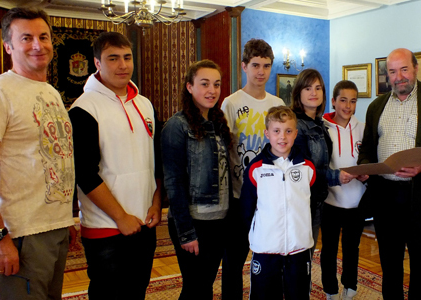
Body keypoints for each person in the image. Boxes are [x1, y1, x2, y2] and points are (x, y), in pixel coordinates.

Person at [0, 7, 76, 299]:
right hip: (22, 233)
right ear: (8, 46)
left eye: (44, 37)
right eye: (26, 38)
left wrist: (64, 221)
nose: (38, 45)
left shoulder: (50, 92)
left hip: (54, 227)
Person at [357, 48, 421, 299]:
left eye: (404, 69)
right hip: (385, 195)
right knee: (389, 260)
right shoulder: (376, 105)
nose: (398, 76)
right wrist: (365, 168)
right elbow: (368, 147)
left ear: (415, 69)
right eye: (392, 71)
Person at [69, 31, 162, 299]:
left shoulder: (144, 104)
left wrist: (156, 204)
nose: (123, 65)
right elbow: (84, 174)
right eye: (113, 58)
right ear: (97, 63)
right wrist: (120, 217)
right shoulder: (84, 108)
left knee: (136, 293)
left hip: (144, 222)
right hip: (105, 227)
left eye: (127, 57)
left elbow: (154, 162)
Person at [161, 60, 232, 299]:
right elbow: (173, 182)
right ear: (190, 87)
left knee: (204, 285)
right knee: (197, 287)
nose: (212, 90)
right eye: (204, 84)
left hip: (219, 220)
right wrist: (186, 232)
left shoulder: (218, 124)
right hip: (194, 222)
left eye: (216, 84)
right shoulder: (177, 126)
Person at [220, 38, 285, 299]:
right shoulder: (231, 103)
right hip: (239, 194)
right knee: (234, 259)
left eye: (266, 66)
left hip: (269, 196)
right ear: (244, 66)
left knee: (269, 256)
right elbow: (223, 150)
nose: (261, 71)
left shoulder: (277, 102)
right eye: (255, 65)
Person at [241, 106, 316, 300]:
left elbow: (312, 202)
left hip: (298, 248)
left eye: (288, 131)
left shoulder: (307, 167)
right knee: (264, 296)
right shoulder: (256, 169)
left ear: (295, 133)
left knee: (298, 295)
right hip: (266, 248)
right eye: (276, 131)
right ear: (267, 134)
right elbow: (247, 208)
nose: (282, 137)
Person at [291, 68, 356, 255]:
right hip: (301, 202)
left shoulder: (319, 124)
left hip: (317, 200)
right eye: (308, 88)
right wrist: (336, 176)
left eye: (318, 88)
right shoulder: (296, 125)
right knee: (298, 256)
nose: (314, 93)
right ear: (298, 93)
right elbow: (302, 170)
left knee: (306, 256)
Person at [320, 80, 367, 300]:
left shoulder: (362, 128)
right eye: (343, 100)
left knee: (352, 248)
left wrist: (367, 173)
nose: (348, 106)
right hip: (330, 201)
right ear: (333, 101)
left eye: (353, 101)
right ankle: (330, 290)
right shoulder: (322, 128)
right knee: (328, 250)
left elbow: (367, 159)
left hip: (356, 202)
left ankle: (350, 287)